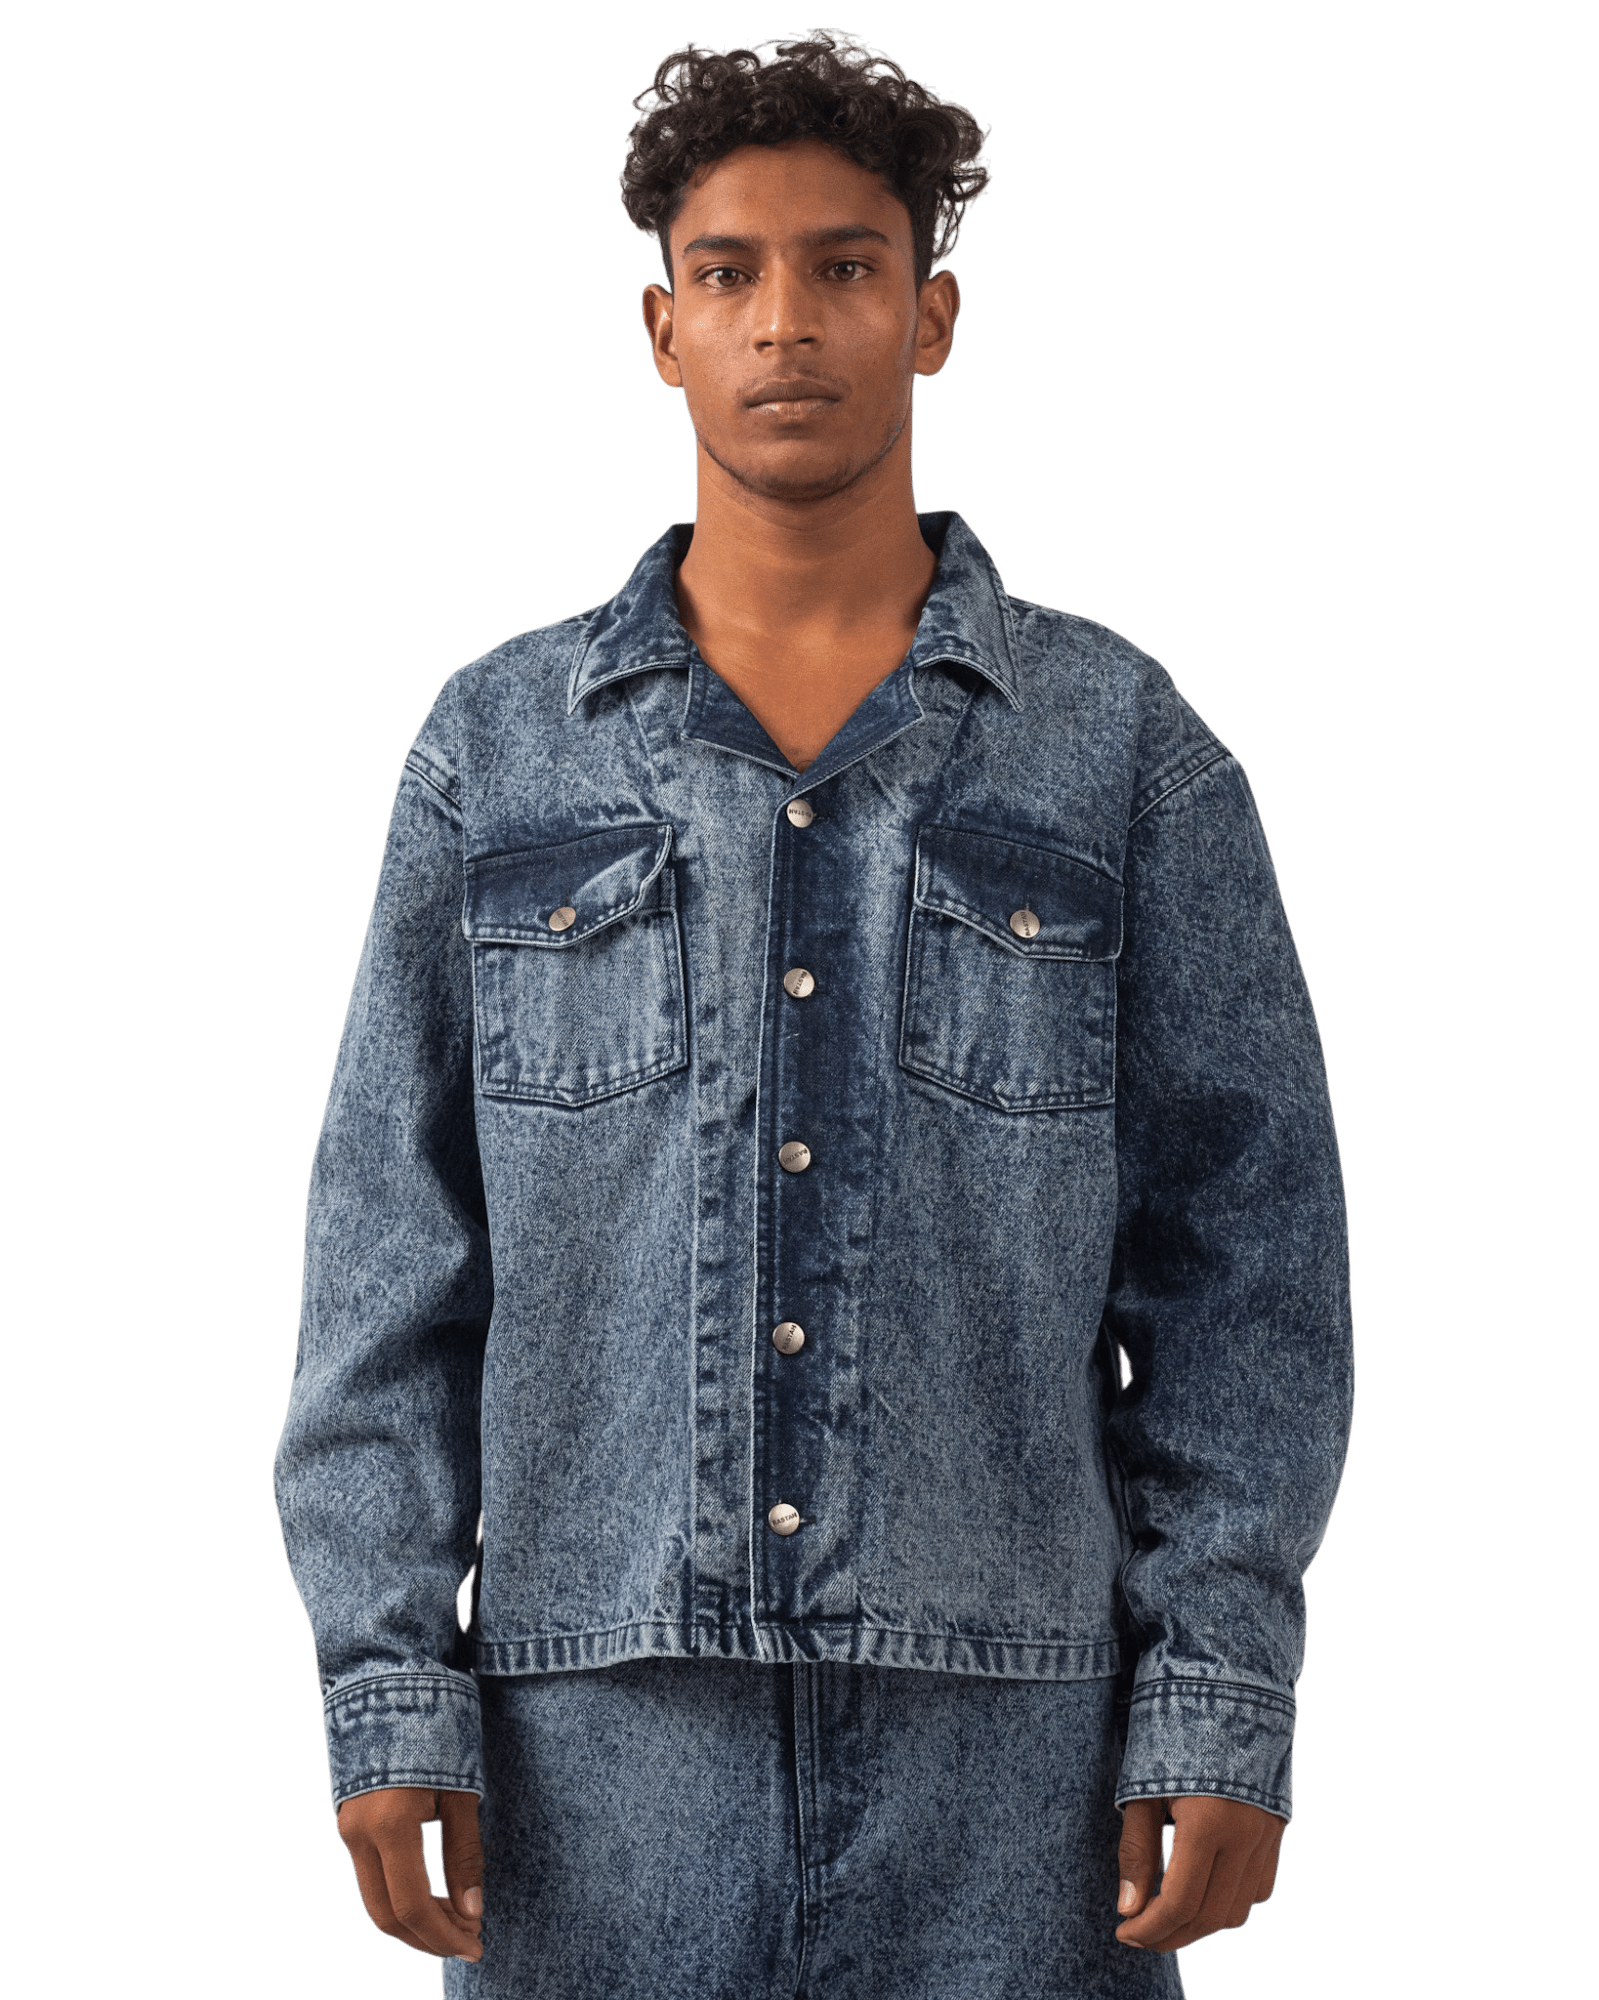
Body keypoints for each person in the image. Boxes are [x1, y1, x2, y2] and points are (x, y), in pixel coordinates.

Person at [273, 30, 1353, 1998]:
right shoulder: (495, 753)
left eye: (845, 266)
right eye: (729, 272)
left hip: (1013, 1783)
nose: (786, 320)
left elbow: (1246, 1261)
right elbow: (389, 1256)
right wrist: (384, 1674)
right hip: (588, 1773)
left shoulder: (1120, 751)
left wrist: (1217, 1685)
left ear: (928, 316)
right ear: (661, 330)